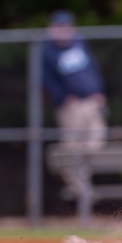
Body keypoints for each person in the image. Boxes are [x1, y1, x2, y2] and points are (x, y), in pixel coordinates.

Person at [40, 10, 107, 150]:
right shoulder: (47, 51)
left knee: (96, 142)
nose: (64, 29)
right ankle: (76, 173)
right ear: (51, 28)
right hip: (71, 106)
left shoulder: (79, 43)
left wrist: (98, 91)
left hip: (91, 101)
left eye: (67, 25)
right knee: (73, 147)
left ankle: (88, 172)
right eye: (59, 25)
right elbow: (47, 80)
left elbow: (92, 69)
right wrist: (63, 97)